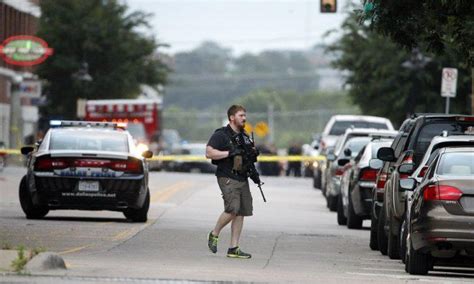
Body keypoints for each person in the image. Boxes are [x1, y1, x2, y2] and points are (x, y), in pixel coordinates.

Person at [205, 104, 255, 259]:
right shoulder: (221, 134)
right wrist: (229, 153)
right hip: (227, 176)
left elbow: (247, 156)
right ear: (232, 117)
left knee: (241, 212)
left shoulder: (245, 136)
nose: (244, 118)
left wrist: (253, 155)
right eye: (241, 115)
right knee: (232, 208)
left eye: (245, 115)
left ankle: (234, 248)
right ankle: (214, 233)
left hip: (242, 177)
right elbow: (209, 153)